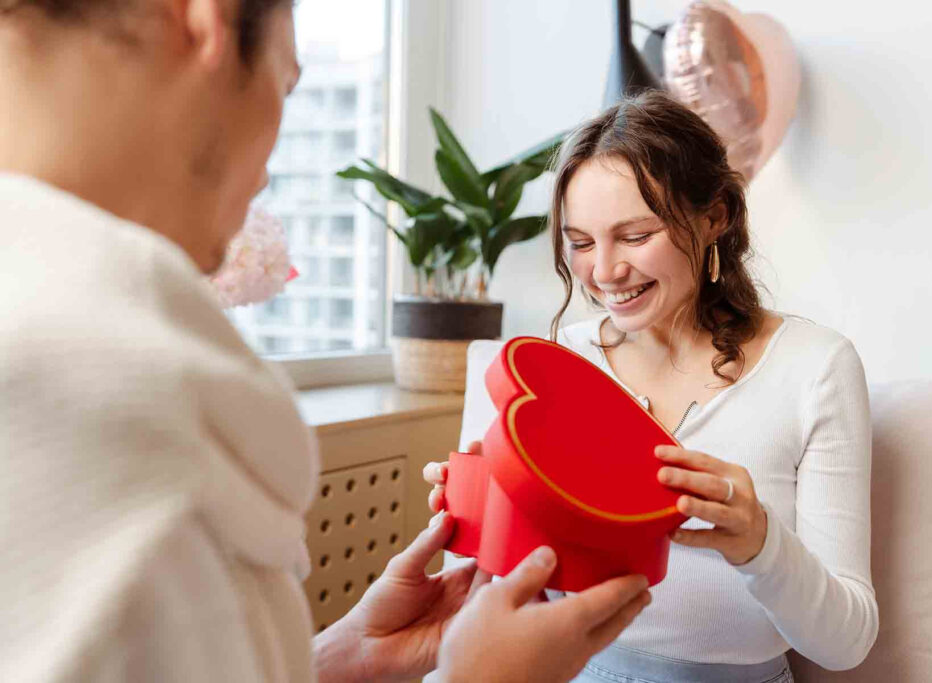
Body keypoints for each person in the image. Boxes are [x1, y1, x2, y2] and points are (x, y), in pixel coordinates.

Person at [0, 1, 653, 681]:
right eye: (285, 86)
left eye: (635, 235)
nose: (265, 176)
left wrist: (341, 657)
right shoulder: (107, 408)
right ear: (204, 19)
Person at [425, 90, 879, 682]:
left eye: (636, 235)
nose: (605, 271)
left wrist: (761, 542)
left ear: (715, 216)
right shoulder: (552, 367)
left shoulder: (815, 367)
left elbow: (847, 643)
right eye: (580, 243)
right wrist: (483, 516)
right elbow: (491, 615)